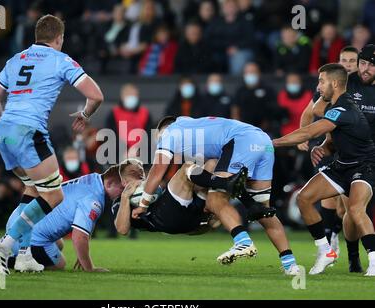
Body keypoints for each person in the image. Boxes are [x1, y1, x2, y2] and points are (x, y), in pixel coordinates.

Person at [0, 15, 104, 274]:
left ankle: (26, 255)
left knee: (33, 189)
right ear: (59, 38)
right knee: (55, 194)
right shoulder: (61, 60)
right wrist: (85, 115)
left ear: (36, 36)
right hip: (29, 131)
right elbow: (96, 95)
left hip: (4, 132)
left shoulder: (16, 59)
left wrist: (1, 130)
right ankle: (5, 245)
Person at [132, 116, 300, 275]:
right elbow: (212, 174)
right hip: (264, 141)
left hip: (241, 140)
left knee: (215, 200)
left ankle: (243, 242)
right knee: (264, 211)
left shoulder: (170, 132)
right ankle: (290, 264)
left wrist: (143, 205)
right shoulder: (195, 129)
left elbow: (156, 172)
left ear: (162, 130)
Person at [273, 63, 375, 276]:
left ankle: (374, 260)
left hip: (366, 166)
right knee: (304, 198)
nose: (318, 86)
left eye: (321, 81)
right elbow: (320, 117)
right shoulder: (333, 106)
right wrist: (323, 147)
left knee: (355, 209)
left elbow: (308, 132)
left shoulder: (344, 109)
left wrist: (271, 143)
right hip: (342, 165)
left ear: (335, 84)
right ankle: (325, 251)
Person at [298, 45, 373, 272]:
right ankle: (344, 254)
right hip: (342, 154)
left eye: (371, 65)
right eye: (362, 63)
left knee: (353, 210)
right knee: (346, 209)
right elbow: (316, 109)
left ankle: (348, 252)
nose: (365, 69)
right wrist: (315, 139)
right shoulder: (346, 84)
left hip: (368, 158)